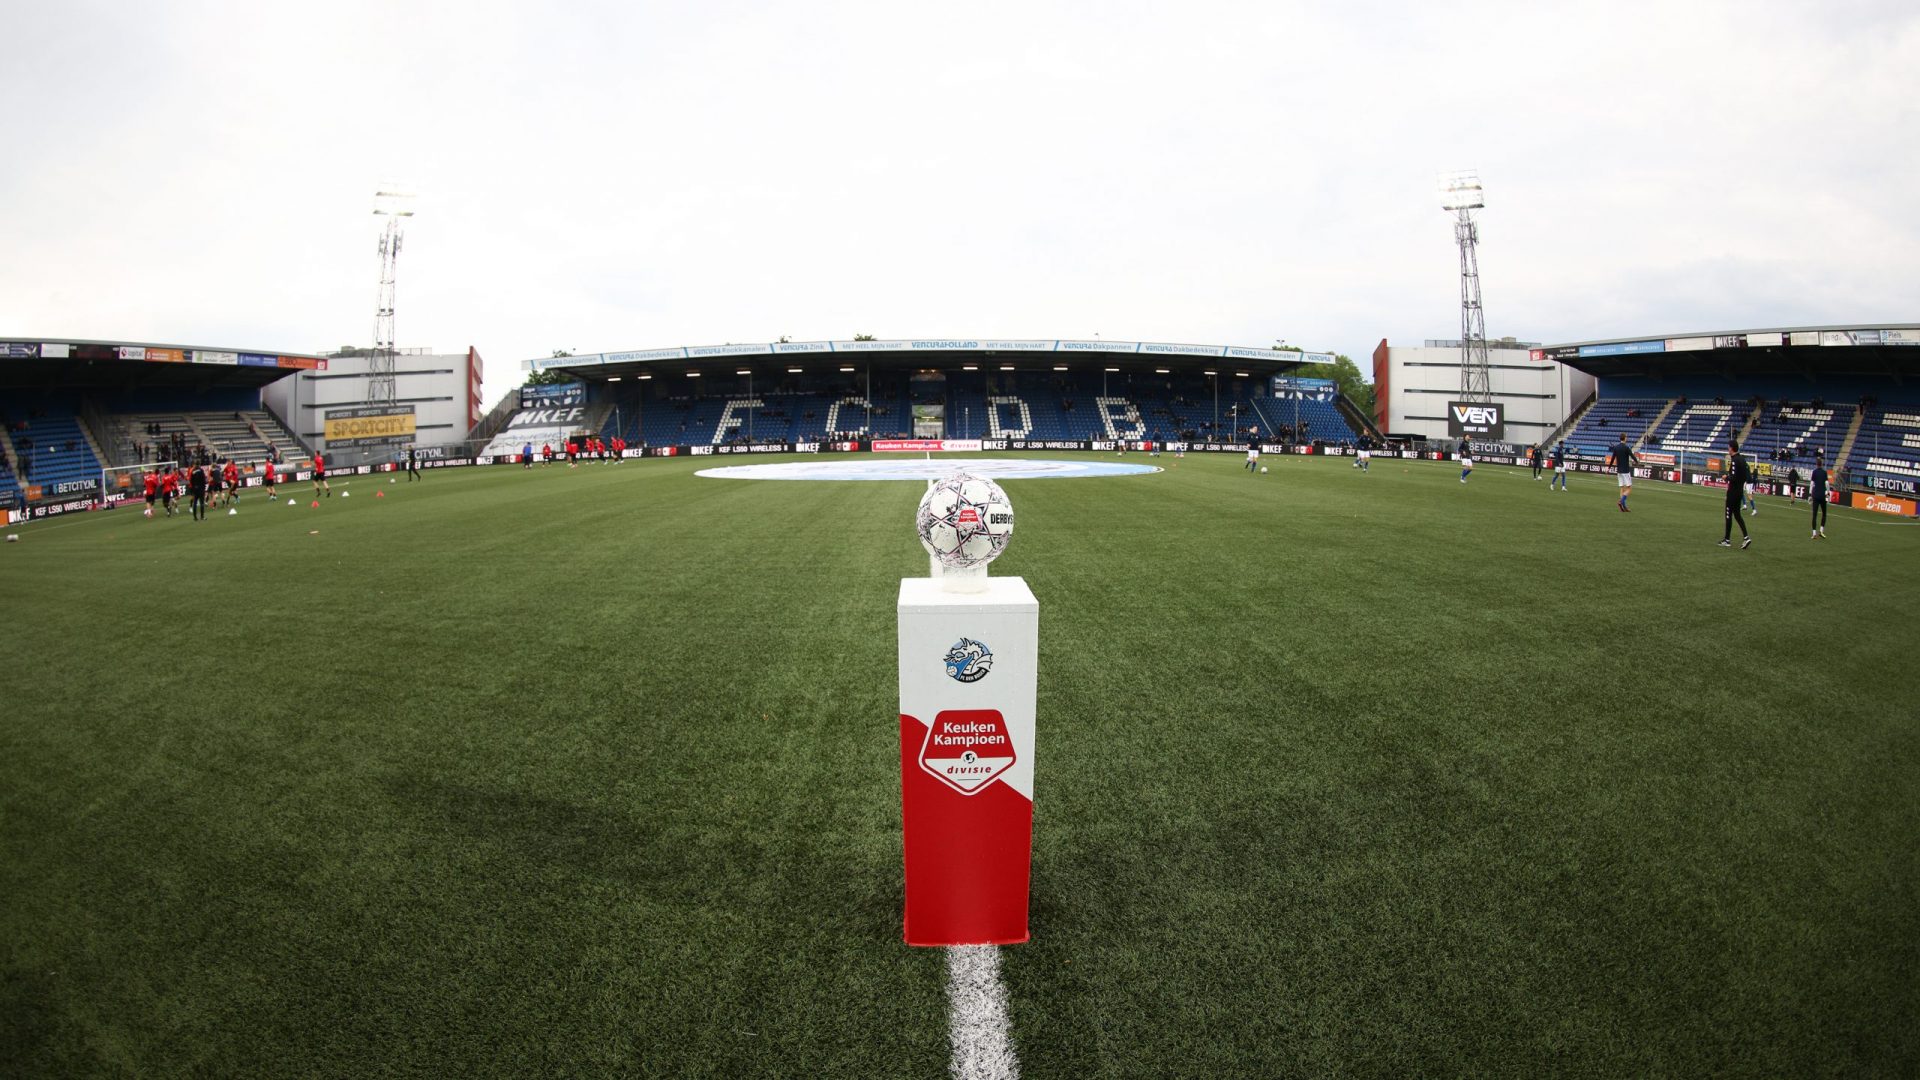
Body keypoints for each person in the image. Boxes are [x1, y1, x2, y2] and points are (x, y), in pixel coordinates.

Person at [1720, 437, 1752, 549]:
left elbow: (1733, 477)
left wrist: (1726, 477)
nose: (1728, 449)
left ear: (1732, 448)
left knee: (1728, 514)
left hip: (1733, 492)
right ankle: (1746, 537)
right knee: (1737, 515)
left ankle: (1727, 540)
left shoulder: (1734, 461)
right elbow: (1745, 476)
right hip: (1739, 492)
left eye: (1728, 447)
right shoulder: (1742, 460)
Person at [1607, 434, 1636, 512]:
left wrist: (1609, 467)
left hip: (1619, 471)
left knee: (1622, 488)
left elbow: (1612, 458)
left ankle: (1623, 507)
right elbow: (1632, 455)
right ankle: (1621, 501)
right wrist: (1636, 461)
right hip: (1625, 470)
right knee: (1629, 488)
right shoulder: (1626, 447)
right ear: (1625, 438)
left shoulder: (1616, 447)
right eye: (1627, 437)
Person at [1810, 453, 1830, 540]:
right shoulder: (1825, 472)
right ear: (1821, 464)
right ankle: (1821, 531)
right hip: (1822, 495)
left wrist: (1810, 494)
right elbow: (1827, 483)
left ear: (1816, 464)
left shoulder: (1814, 472)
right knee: (1824, 514)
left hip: (1815, 495)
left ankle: (1814, 533)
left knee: (1814, 515)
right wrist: (1828, 492)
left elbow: (1812, 484)